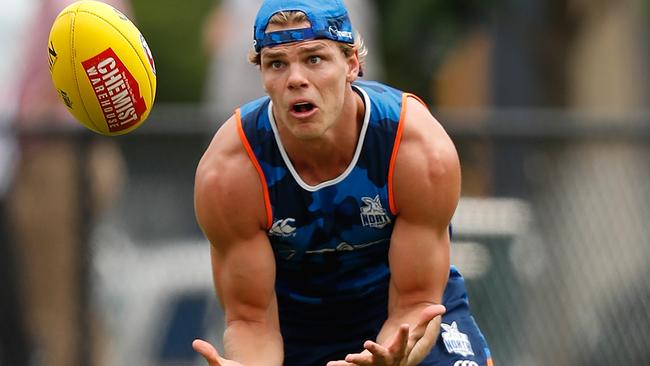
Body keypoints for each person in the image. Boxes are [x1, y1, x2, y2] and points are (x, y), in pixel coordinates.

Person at [192, 0, 492, 365]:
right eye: (276, 64)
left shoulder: (415, 149)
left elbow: (416, 302)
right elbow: (252, 320)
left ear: (351, 65)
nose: (296, 79)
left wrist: (393, 360)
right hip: (294, 330)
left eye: (314, 59)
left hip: (400, 314)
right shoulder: (231, 171)